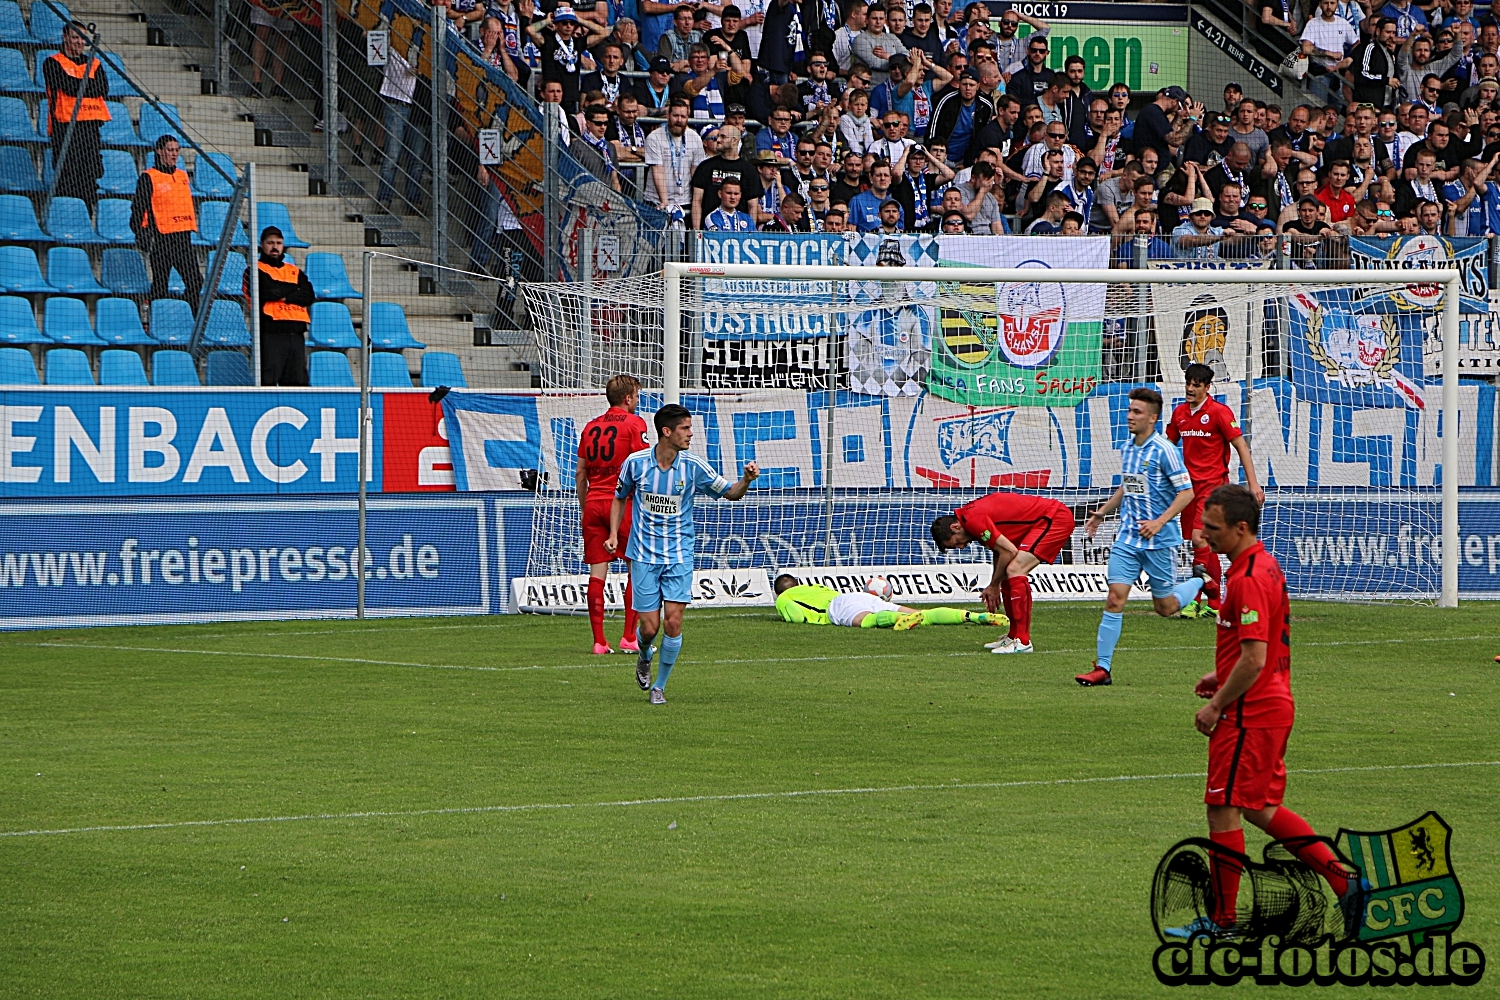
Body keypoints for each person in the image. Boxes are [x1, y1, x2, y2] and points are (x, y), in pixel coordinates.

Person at [1165, 484, 1369, 941]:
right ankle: (1346, 882)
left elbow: (1255, 657)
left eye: (1212, 528)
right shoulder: (1259, 565)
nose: (1203, 535)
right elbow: (1258, 647)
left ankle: (1223, 921)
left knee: (1222, 808)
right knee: (1261, 808)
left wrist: (1217, 704)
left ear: (1241, 527)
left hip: (1249, 713)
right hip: (1267, 702)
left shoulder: (1249, 577)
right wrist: (1220, 675)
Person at [606, 404, 760, 704]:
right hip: (644, 556)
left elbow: (729, 492)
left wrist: (746, 482)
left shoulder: (694, 466)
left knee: (673, 623)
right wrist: (613, 534)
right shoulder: (636, 464)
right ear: (667, 432)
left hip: (679, 555)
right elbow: (619, 497)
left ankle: (659, 687)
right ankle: (644, 653)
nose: (690, 434)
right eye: (685, 429)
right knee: (649, 628)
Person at [1075, 387, 1206, 687]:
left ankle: (1199, 580)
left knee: (1166, 608)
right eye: (1129, 410)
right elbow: (1128, 486)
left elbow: (1187, 493)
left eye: (1137, 412)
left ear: (1153, 418)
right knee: (1114, 598)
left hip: (1159, 541)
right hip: (1128, 540)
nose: (1129, 416)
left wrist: (1160, 522)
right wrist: (1102, 513)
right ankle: (1103, 669)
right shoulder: (1129, 448)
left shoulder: (1165, 450)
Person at [1166, 363, 1265, 618]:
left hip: (1213, 488)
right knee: (1203, 544)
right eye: (1188, 383)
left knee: (1199, 539)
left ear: (1207, 387)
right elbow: (1168, 447)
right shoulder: (1179, 414)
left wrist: (1252, 483)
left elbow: (1241, 445)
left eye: (1196, 385)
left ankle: (1194, 599)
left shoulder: (1219, 412)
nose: (1190, 389)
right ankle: (1215, 602)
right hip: (1188, 489)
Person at [929, 492, 1075, 655]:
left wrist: (994, 585)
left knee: (1015, 569)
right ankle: (1013, 636)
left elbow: (1009, 551)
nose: (962, 547)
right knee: (1008, 572)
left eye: (957, 542)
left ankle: (1023, 641)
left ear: (955, 527)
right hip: (1044, 519)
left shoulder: (974, 520)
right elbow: (1000, 552)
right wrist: (995, 584)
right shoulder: (969, 519)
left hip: (1054, 518)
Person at [576, 375, 650, 655]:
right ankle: (629, 637)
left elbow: (580, 472)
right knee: (637, 569)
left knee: (597, 573)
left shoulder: (591, 426)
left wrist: (586, 506)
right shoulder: (635, 424)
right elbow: (642, 467)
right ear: (628, 398)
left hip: (594, 501)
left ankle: (598, 642)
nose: (638, 400)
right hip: (622, 503)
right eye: (637, 395)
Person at [43, 22, 110, 214]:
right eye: (75, 37)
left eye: (82, 38)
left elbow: (102, 88)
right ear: (65, 38)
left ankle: (86, 218)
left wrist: (80, 86)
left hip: (90, 129)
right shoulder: (52, 62)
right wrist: (85, 85)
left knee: (90, 176)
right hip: (65, 129)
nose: (79, 42)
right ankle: (66, 220)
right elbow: (67, 86)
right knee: (67, 177)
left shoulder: (94, 63)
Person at [129, 135, 201, 313]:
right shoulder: (149, 177)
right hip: (162, 239)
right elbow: (140, 207)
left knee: (195, 281)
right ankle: (155, 321)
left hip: (183, 238)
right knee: (161, 284)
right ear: (159, 151)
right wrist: (141, 231)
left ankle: (190, 320)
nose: (174, 154)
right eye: (170, 150)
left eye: (177, 150)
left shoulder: (182, 176)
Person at [772, 575, 1006, 629]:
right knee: (923, 614)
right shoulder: (813, 586)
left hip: (837, 608)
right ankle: (975, 616)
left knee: (865, 621)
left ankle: (898, 620)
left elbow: (797, 616)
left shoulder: (784, 598)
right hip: (855, 596)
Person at [245, 226, 315, 387]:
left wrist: (283, 294)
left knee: (298, 382)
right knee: (268, 379)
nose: (275, 246)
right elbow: (267, 291)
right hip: (271, 333)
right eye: (270, 243)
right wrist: (293, 290)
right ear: (262, 244)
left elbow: (308, 295)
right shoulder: (254, 270)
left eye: (278, 242)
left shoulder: (294, 271)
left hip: (296, 333)